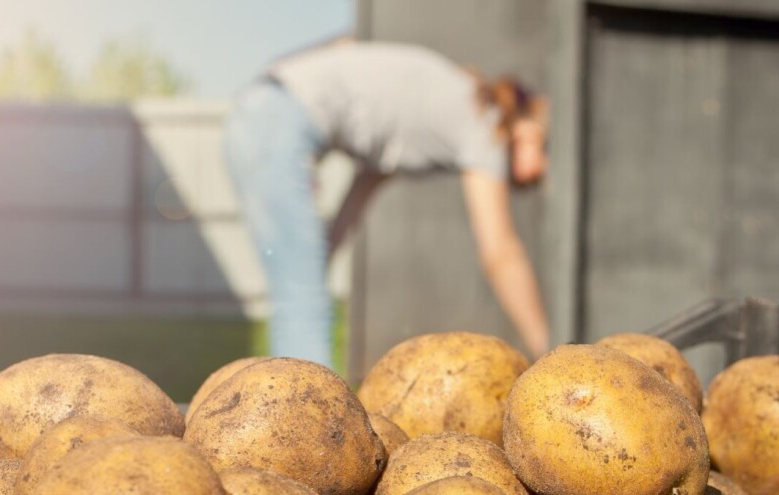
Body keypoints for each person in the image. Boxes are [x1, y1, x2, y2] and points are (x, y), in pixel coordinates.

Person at [224, 40, 550, 369]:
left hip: (261, 112)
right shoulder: (488, 120)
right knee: (303, 297)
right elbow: (501, 253)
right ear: (523, 128)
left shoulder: (445, 110)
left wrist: (321, 258)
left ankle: (286, 407)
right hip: (277, 117)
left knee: (301, 293)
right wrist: (545, 351)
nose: (544, 169)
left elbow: (360, 194)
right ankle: (303, 416)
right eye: (544, 148)